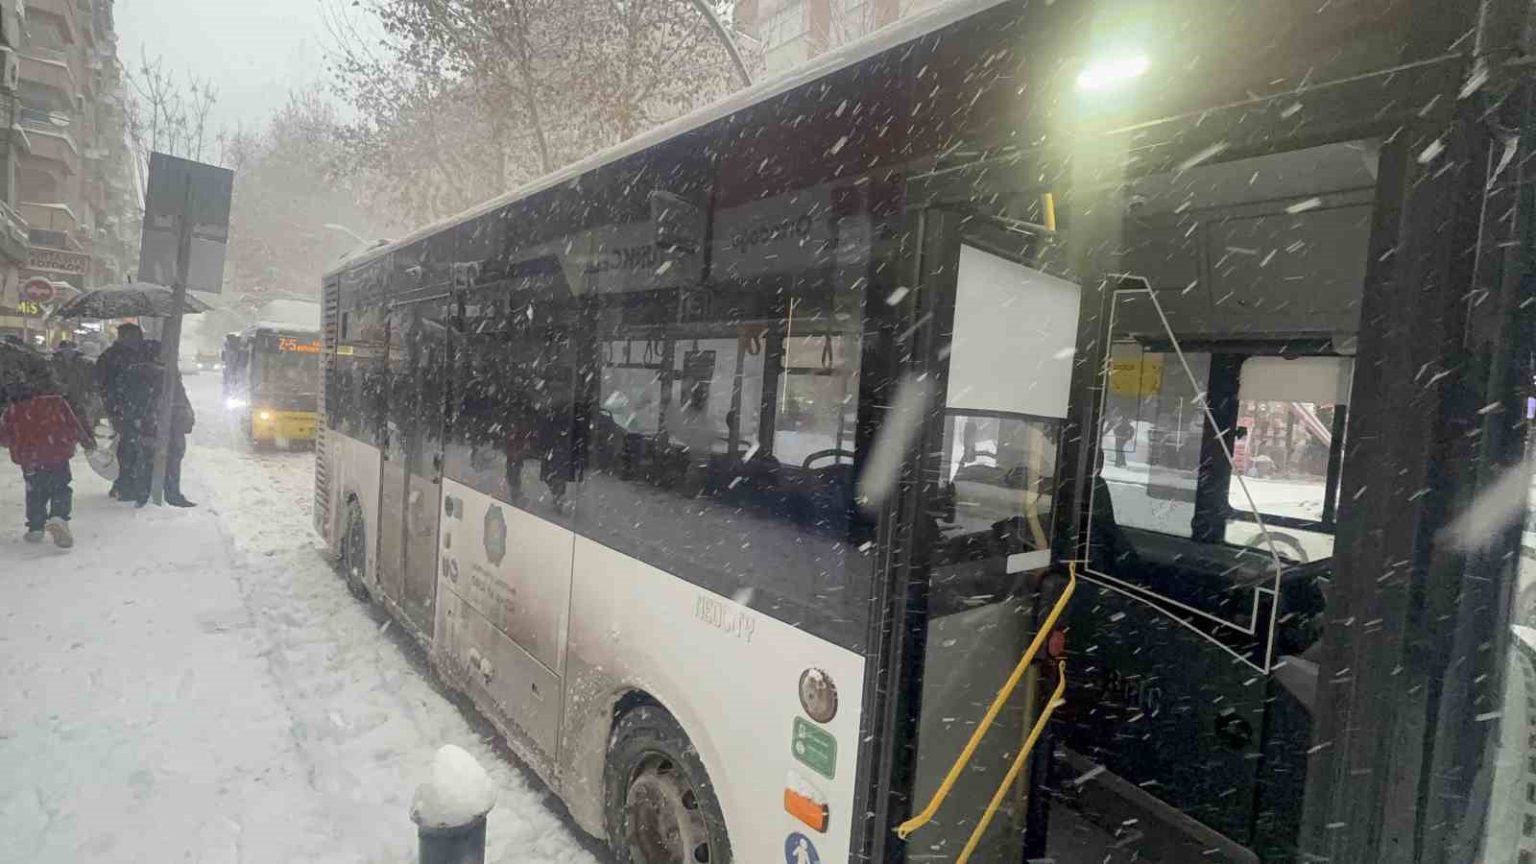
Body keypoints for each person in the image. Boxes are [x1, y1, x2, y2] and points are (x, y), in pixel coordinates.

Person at [0, 380, 96, 547]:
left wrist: (17, 438)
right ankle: (58, 516)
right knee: (60, 487)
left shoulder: (14, 410)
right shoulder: (57, 402)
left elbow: (4, 438)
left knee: (34, 491)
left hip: (29, 458)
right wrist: (86, 440)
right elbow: (73, 423)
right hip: (57, 453)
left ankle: (36, 526)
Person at [119, 340, 195, 507]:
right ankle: (171, 493)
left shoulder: (132, 373)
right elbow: (179, 398)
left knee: (145, 460)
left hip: (144, 423)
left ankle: (143, 494)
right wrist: (185, 417)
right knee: (171, 458)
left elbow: (127, 400)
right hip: (166, 423)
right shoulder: (167, 374)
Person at [96, 323, 143, 499]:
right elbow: (102, 384)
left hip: (138, 406)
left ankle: (128, 482)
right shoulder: (111, 356)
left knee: (134, 445)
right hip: (122, 407)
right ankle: (126, 483)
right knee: (128, 445)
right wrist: (113, 405)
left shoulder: (140, 354)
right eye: (130, 335)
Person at [52, 340, 99, 432]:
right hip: (59, 399)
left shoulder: (85, 363)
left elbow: (91, 382)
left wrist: (90, 395)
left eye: (70, 350)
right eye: (65, 349)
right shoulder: (53, 362)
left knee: (81, 424)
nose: (68, 352)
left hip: (78, 399)